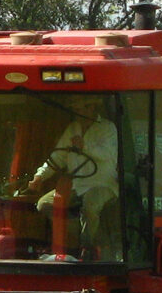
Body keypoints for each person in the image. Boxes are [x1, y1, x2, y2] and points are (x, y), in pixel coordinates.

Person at [24, 96, 119, 259]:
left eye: (81, 109)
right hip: (77, 185)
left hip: (103, 184)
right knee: (44, 205)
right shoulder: (72, 128)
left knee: (90, 206)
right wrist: (40, 176)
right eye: (75, 110)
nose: (77, 113)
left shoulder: (108, 128)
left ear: (92, 108)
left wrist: (85, 147)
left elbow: (109, 155)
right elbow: (59, 156)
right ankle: (77, 238)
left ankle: (88, 250)